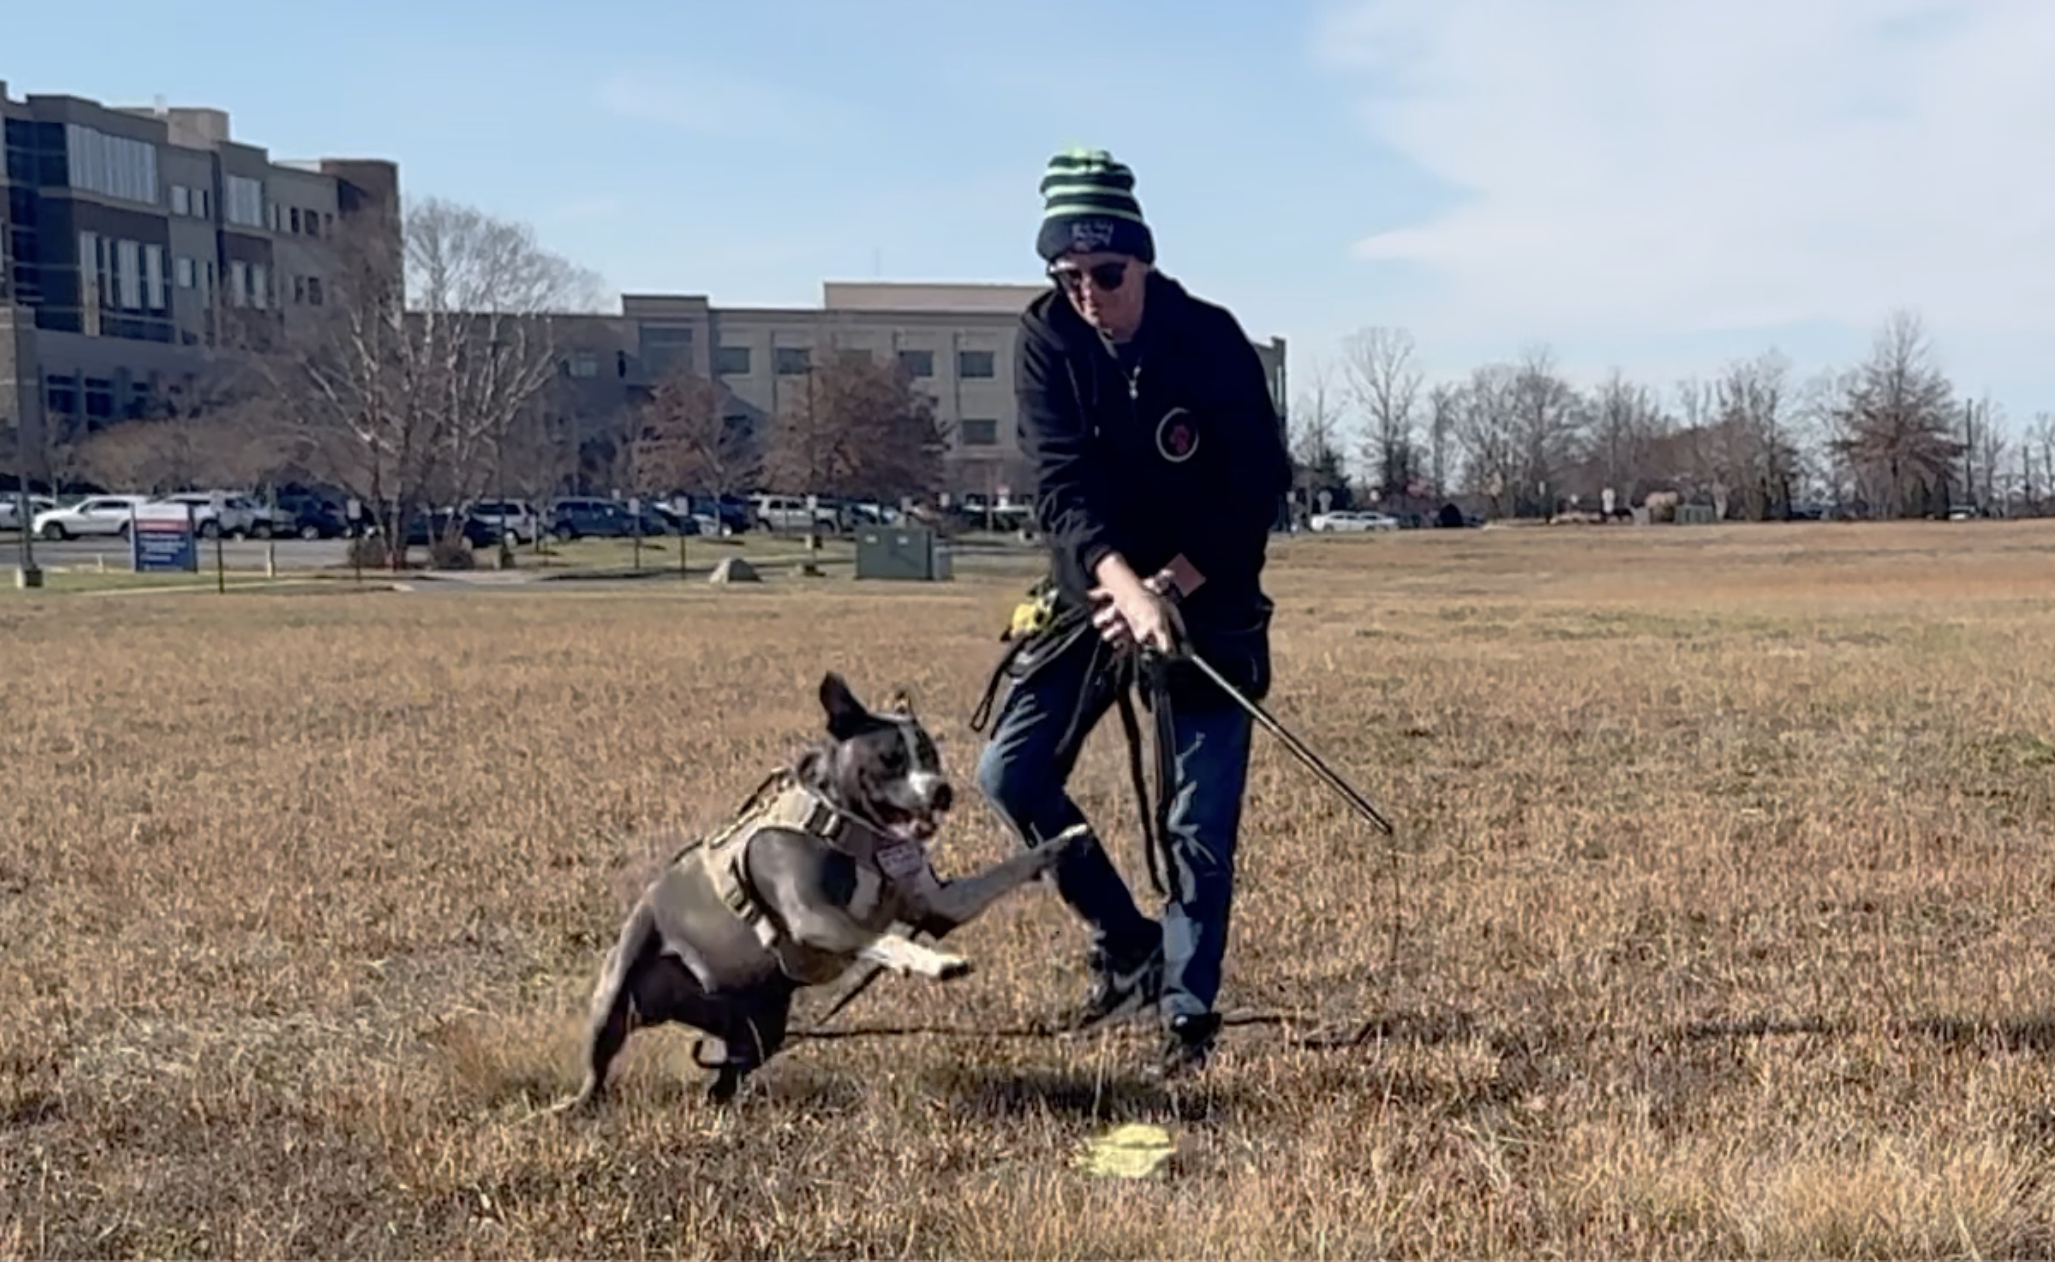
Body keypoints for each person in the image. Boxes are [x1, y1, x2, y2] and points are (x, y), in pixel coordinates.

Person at [973, 146, 1293, 1078]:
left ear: (1142, 260)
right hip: (1097, 594)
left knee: (1196, 819)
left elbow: (1255, 487)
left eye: (1104, 273)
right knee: (1010, 772)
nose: (1086, 293)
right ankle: (1127, 946)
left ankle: (1187, 1019)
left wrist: (1172, 587)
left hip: (1208, 595)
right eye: (1065, 275)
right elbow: (1059, 487)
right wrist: (1117, 584)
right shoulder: (1047, 340)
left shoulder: (1211, 340)